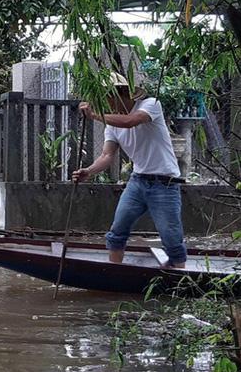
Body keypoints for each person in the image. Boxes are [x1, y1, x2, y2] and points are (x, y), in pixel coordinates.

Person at [72, 72, 187, 268]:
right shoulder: (111, 125)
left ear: (118, 94)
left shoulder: (150, 104)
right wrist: (89, 171)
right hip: (138, 182)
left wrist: (94, 116)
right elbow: (107, 156)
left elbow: (131, 121)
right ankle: (114, 271)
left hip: (164, 184)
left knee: (171, 238)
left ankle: (182, 279)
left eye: (106, 97)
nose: (105, 103)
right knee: (117, 231)